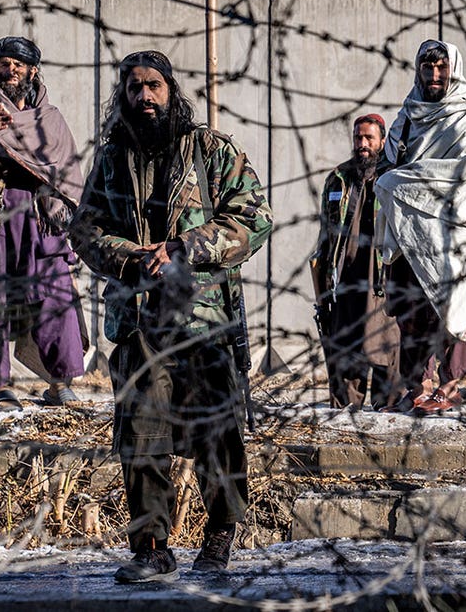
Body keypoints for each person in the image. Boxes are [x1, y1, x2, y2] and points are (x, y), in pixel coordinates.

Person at [70, 50, 272, 583]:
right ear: (124, 95)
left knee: (216, 429)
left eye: (154, 86)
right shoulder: (112, 158)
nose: (145, 97)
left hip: (205, 320)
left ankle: (220, 536)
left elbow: (255, 216)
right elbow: (85, 232)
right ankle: (152, 548)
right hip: (140, 321)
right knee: (141, 431)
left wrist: (185, 246)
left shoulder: (210, 149)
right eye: (134, 87)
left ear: (170, 89)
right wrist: (132, 256)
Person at [0, 36, 86, 410]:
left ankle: (60, 384)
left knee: (55, 295)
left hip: (43, 217)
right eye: (3, 65)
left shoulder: (50, 117)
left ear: (32, 69)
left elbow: (68, 166)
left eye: (17, 64)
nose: (10, 71)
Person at [375, 39, 466, 415]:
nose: (434, 75)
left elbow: (461, 175)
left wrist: (403, 183)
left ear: (454, 69)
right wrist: (398, 184)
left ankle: (449, 385)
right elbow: (388, 167)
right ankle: (419, 385)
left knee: (449, 308)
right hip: (409, 233)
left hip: (449, 229)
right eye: (427, 67)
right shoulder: (408, 117)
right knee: (412, 312)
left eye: (441, 68)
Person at [312, 114, 401, 409]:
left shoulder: (394, 176)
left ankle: (387, 414)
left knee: (386, 349)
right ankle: (346, 413)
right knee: (345, 350)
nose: (362, 144)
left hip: (383, 278)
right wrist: (323, 276)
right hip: (346, 278)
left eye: (369, 138)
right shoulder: (339, 178)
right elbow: (326, 231)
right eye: (358, 138)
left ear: (382, 141)